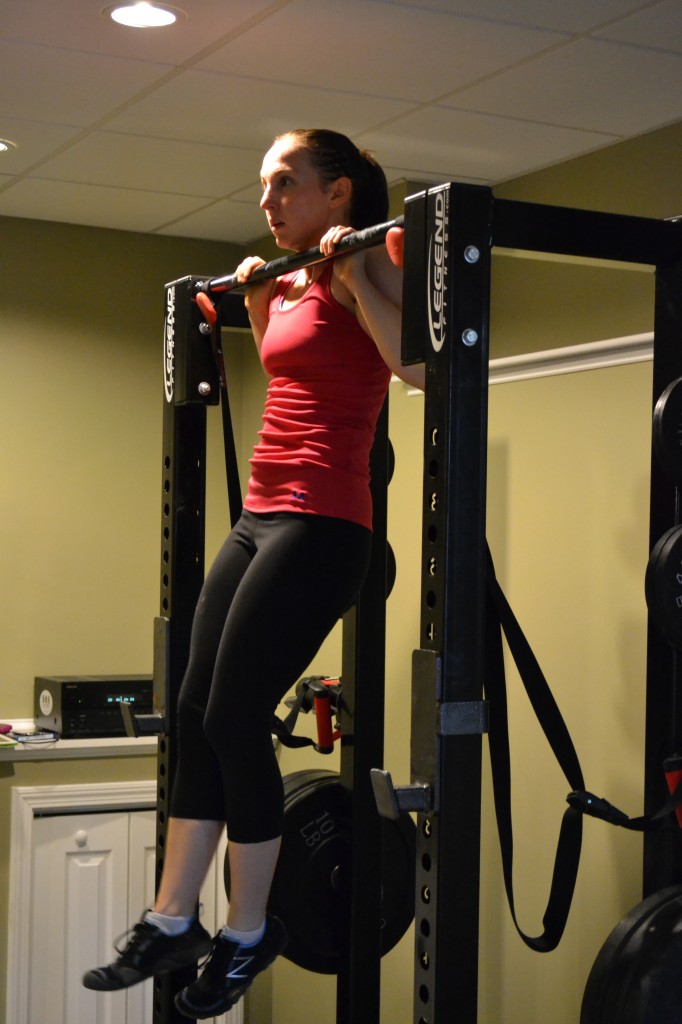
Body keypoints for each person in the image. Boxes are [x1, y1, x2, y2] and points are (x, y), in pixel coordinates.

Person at [83, 128, 424, 1018]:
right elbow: (287, 356)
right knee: (195, 707)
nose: (267, 201)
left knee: (237, 713)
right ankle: (172, 916)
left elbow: (416, 367)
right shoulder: (297, 276)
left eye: (285, 184)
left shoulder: (366, 263)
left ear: (339, 192)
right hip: (260, 518)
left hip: (324, 525)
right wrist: (255, 292)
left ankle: (249, 927)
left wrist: (350, 280)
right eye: (264, 187)